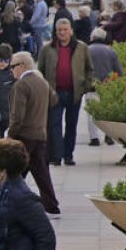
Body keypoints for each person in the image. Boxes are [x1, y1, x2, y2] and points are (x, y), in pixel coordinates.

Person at [36, 19, 94, 166]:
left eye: (65, 29)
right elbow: (40, 70)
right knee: (54, 125)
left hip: (74, 93)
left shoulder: (82, 48)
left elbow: (89, 69)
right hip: (54, 93)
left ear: (71, 31)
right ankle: (56, 155)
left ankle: (68, 155)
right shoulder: (47, 49)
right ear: (55, 32)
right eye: (59, 30)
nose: (62, 32)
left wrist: (85, 87)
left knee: (71, 125)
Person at [7, 52, 60, 215]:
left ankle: (6, 200)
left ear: (22, 66)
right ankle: (51, 205)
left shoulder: (22, 85)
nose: (11, 70)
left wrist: (10, 135)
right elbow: (54, 100)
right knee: (40, 171)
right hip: (40, 134)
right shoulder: (41, 82)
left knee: (13, 170)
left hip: (24, 135)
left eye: (13, 66)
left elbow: (18, 116)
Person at [85, 28, 122, 147]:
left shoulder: (87, 50)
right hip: (108, 85)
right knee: (107, 112)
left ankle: (94, 138)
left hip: (92, 86)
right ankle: (108, 136)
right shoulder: (111, 51)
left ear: (93, 37)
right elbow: (119, 71)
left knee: (92, 113)